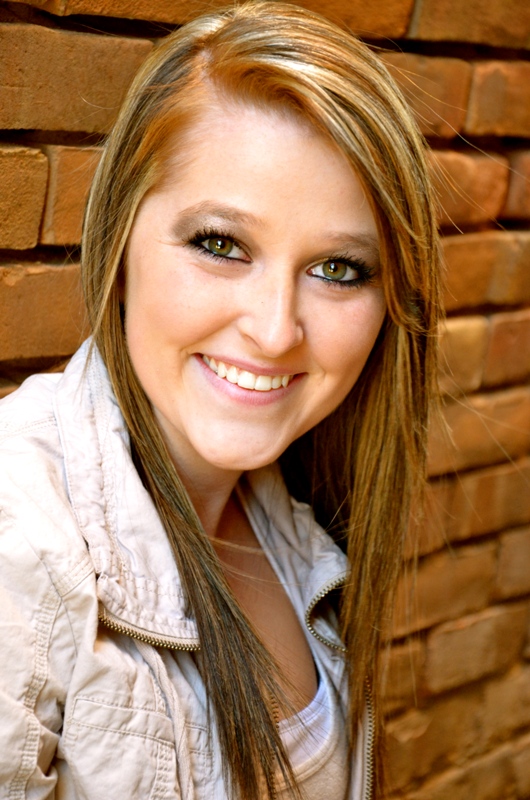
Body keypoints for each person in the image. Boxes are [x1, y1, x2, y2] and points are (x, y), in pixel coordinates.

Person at [0, 2, 441, 798]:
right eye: (220, 244)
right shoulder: (19, 542)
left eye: (337, 269)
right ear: (120, 245)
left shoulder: (292, 512)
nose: (275, 331)